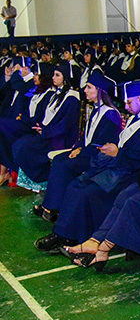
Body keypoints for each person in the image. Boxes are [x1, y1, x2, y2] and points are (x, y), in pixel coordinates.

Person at [34, 80, 140, 252]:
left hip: (132, 173)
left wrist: (118, 153)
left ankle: (70, 236)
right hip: (119, 166)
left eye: (129, 102)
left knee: (86, 193)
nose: (126, 107)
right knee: (75, 185)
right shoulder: (136, 118)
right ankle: (62, 232)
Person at [36, 71, 122, 223]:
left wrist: (81, 150)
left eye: (89, 87)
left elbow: (103, 143)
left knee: (64, 164)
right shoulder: (97, 109)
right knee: (59, 160)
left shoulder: (110, 115)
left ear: (99, 91)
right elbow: (85, 136)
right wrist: (78, 147)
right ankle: (53, 205)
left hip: (98, 158)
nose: (85, 90)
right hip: (86, 152)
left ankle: (53, 207)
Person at [12, 62, 81, 183]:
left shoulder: (72, 98)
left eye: (57, 75)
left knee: (23, 146)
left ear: (65, 78)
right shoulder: (57, 94)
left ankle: (41, 178)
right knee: (19, 144)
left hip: (60, 138)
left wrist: (45, 132)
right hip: (50, 133)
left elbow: (65, 126)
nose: (53, 78)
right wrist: (42, 127)